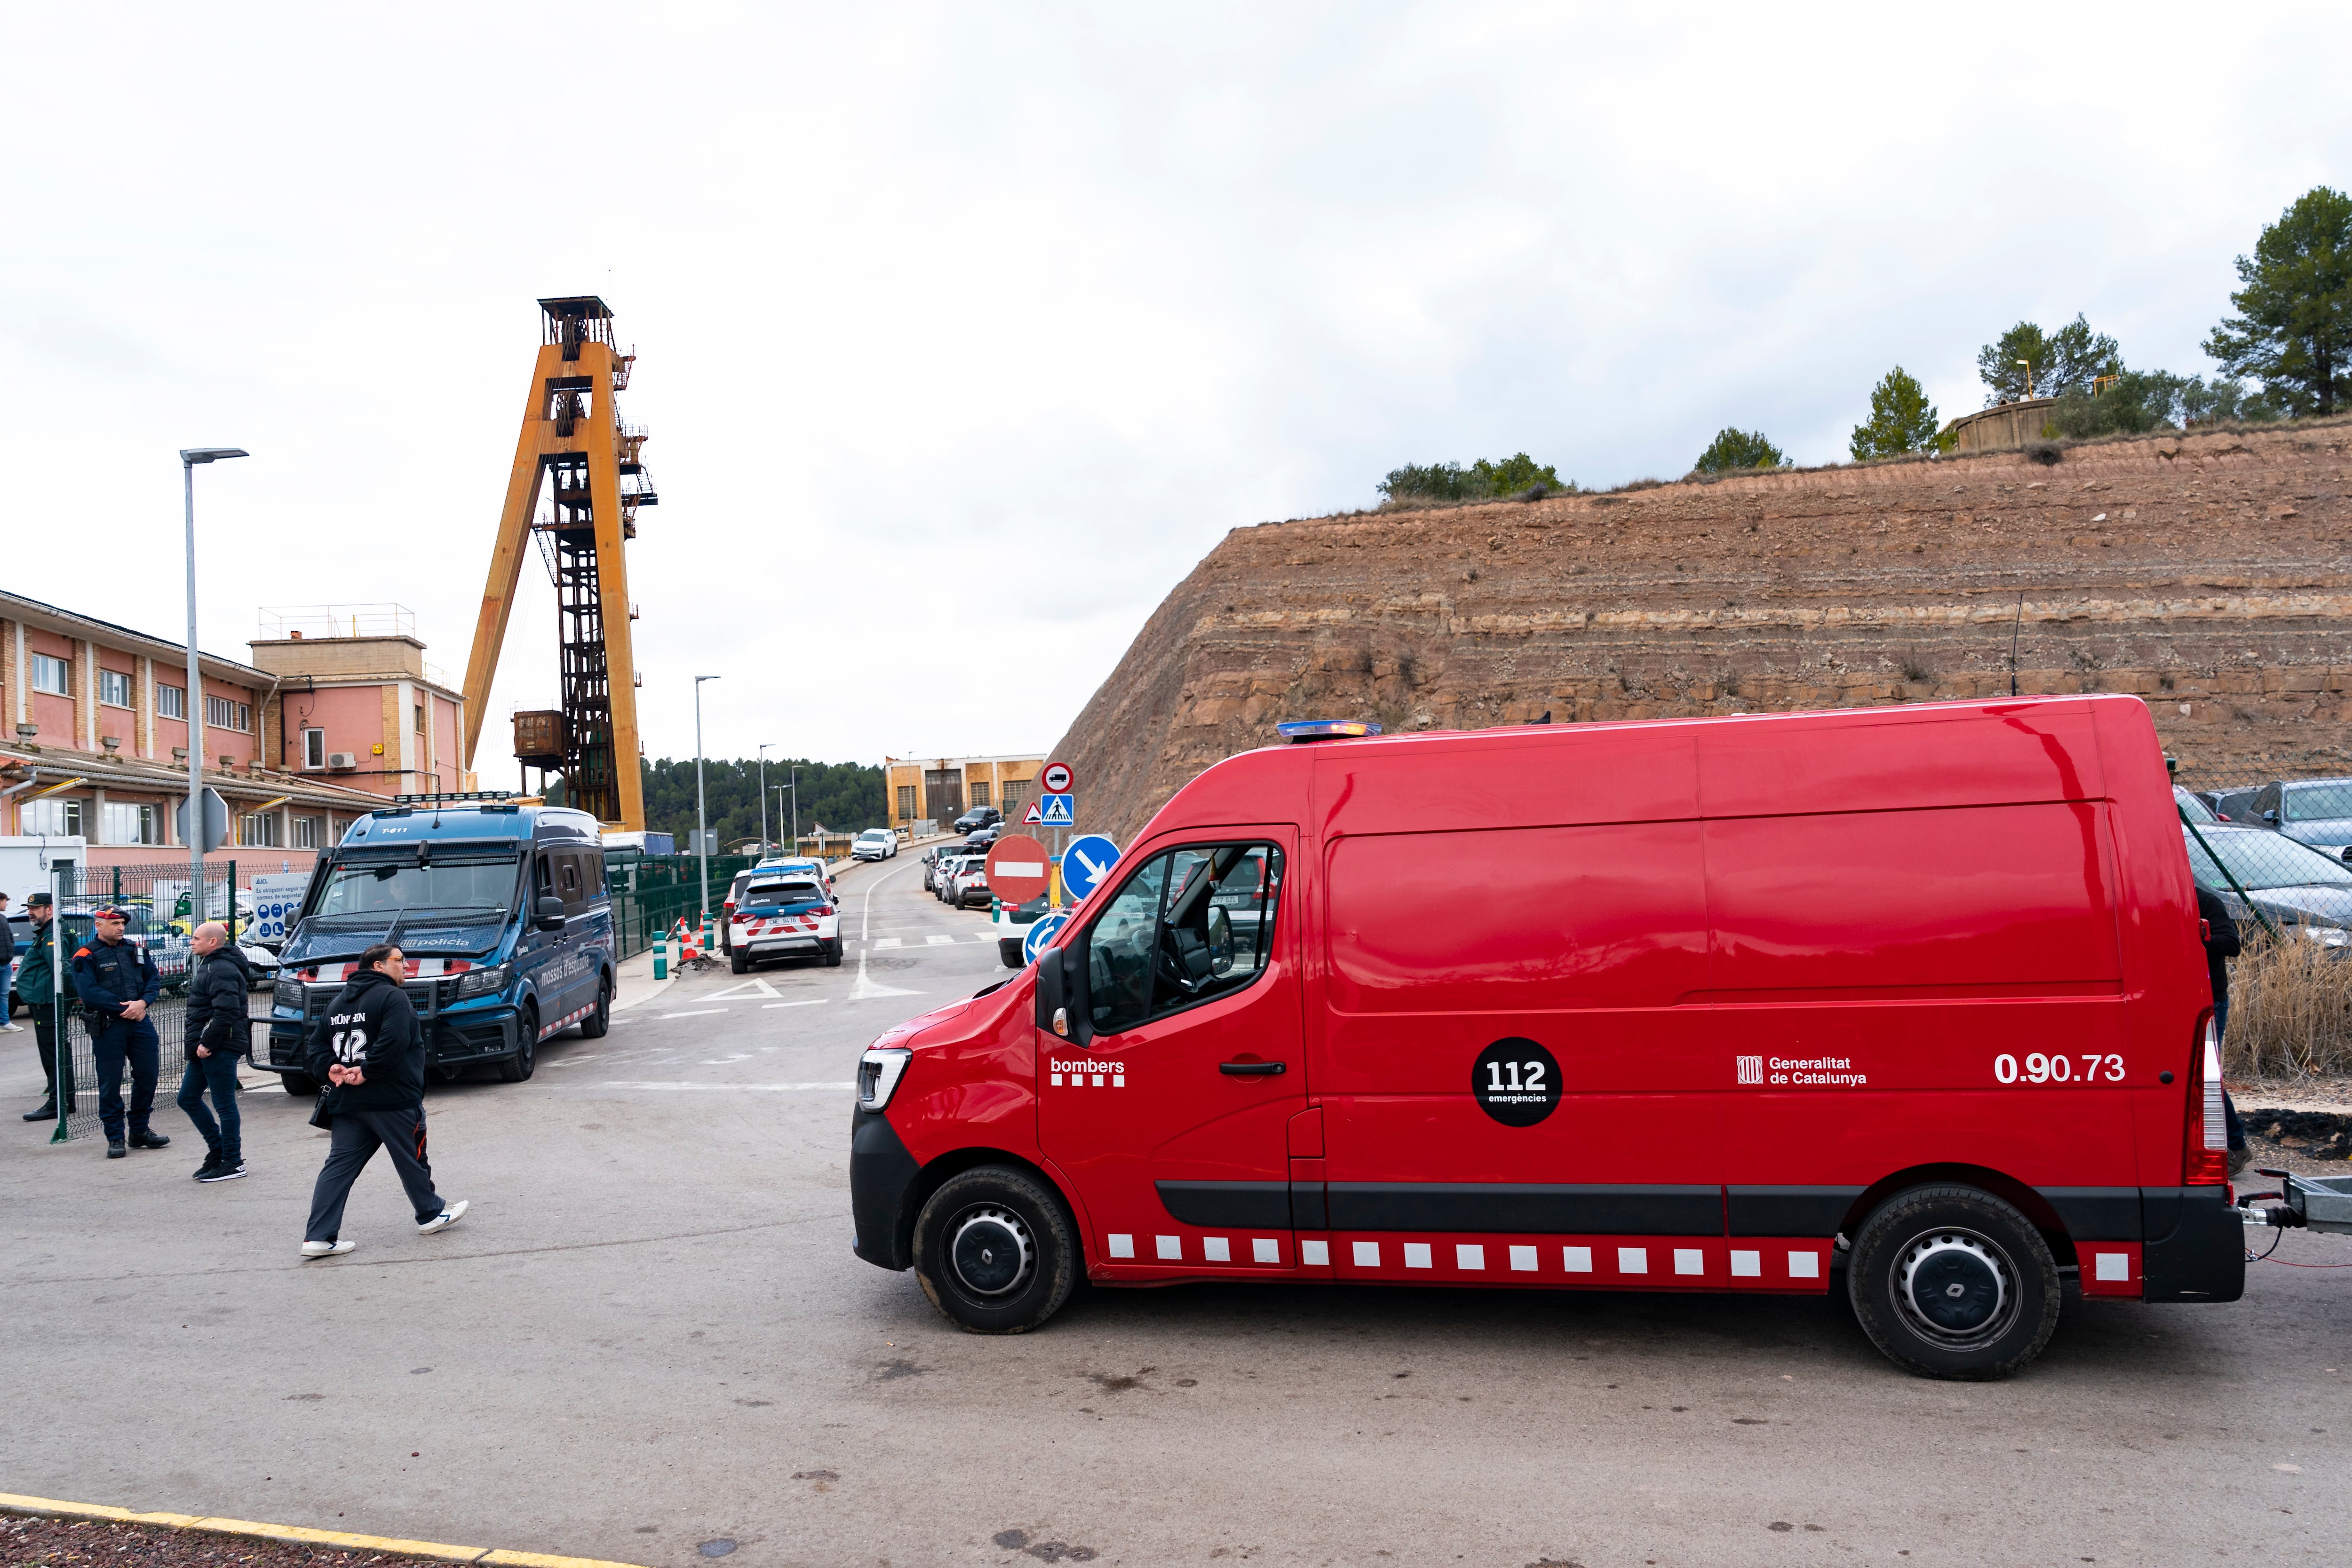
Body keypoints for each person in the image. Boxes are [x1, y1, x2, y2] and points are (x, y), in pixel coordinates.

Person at [300, 942, 467, 1259]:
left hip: (348, 1101)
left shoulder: (336, 1004)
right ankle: (431, 1213)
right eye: (399, 961)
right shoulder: (393, 997)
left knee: (338, 1168)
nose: (406, 966)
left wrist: (330, 1069)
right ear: (378, 966)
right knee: (412, 1156)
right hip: (392, 1097)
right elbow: (395, 1040)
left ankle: (318, 1237)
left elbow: (316, 1046)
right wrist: (368, 1071)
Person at [72, 909, 169, 1158]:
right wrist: (125, 1009)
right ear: (98, 925)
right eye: (114, 923)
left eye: (123, 923)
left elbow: (153, 978)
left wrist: (143, 1004)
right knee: (111, 1083)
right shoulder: (87, 955)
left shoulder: (134, 949)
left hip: (140, 1022)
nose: (120, 927)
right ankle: (115, 1137)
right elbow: (89, 992)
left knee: (148, 1076)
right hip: (109, 1027)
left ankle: (139, 1131)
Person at [179, 921, 252, 1182]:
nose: (192, 942)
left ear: (212, 942)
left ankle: (233, 1161)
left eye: (196, 938)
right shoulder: (210, 965)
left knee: (224, 1104)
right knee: (187, 1098)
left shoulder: (220, 968)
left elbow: (228, 1011)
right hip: (203, 1047)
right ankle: (218, 1151)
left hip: (218, 1047)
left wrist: (207, 1042)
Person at [2196, 882, 2250, 1176]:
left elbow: (2232, 944)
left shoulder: (2205, 902)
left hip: (2210, 999)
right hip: (2172, 997)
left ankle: (2237, 1146)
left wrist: (2194, 936)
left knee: (2205, 1076)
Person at [16, 894, 74, 1120]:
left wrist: (72, 997)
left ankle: (58, 1102)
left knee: (54, 1054)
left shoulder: (52, 934)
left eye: (35, 908)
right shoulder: (51, 931)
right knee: (57, 1051)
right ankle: (64, 1099)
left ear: (50, 909)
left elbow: (62, 969)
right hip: (47, 1002)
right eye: (30, 908)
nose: (31, 912)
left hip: (49, 1003)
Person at [0, 891, 21, 1034]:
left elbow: (10, 938)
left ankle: (5, 1023)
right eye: (5, 901)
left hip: (6, 964)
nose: (7, 904)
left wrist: (11, 951)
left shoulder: (3, 918)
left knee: (4, 995)